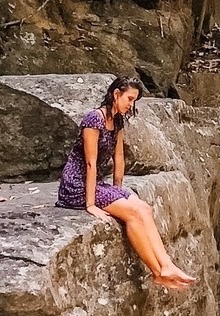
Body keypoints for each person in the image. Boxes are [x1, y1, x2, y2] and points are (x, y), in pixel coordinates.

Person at [56, 75, 196, 290]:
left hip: (97, 183)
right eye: (129, 99)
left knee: (144, 208)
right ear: (116, 94)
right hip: (77, 184)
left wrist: (118, 191)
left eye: (134, 101)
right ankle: (157, 272)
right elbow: (91, 163)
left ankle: (167, 265)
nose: (131, 105)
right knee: (132, 213)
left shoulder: (118, 120)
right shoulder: (94, 120)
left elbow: (119, 158)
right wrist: (91, 205)